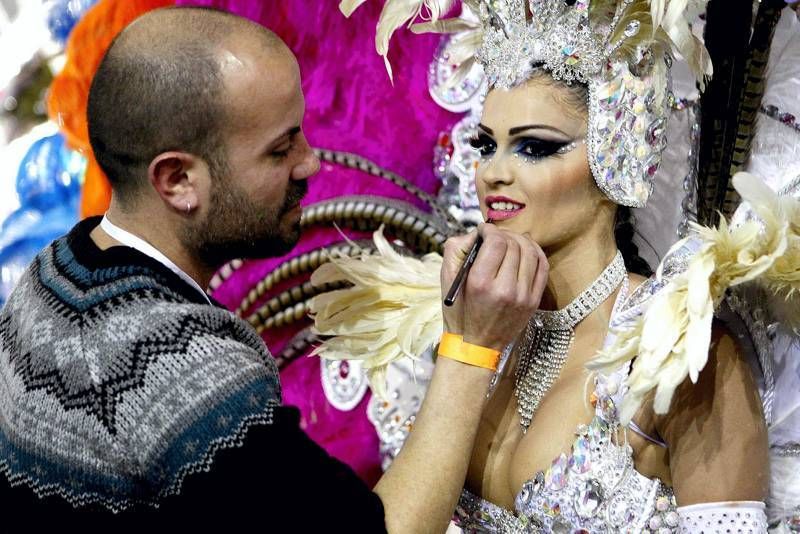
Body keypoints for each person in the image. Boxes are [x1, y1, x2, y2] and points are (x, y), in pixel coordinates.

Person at [0, 7, 548, 532]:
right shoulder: (181, 373)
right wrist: (472, 345)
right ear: (176, 180)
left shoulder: (53, 274)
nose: (310, 163)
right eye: (280, 149)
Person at [313, 0, 794, 531]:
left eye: (535, 148)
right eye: (486, 145)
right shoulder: (471, 332)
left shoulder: (681, 352)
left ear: (616, 155)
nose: (493, 172)